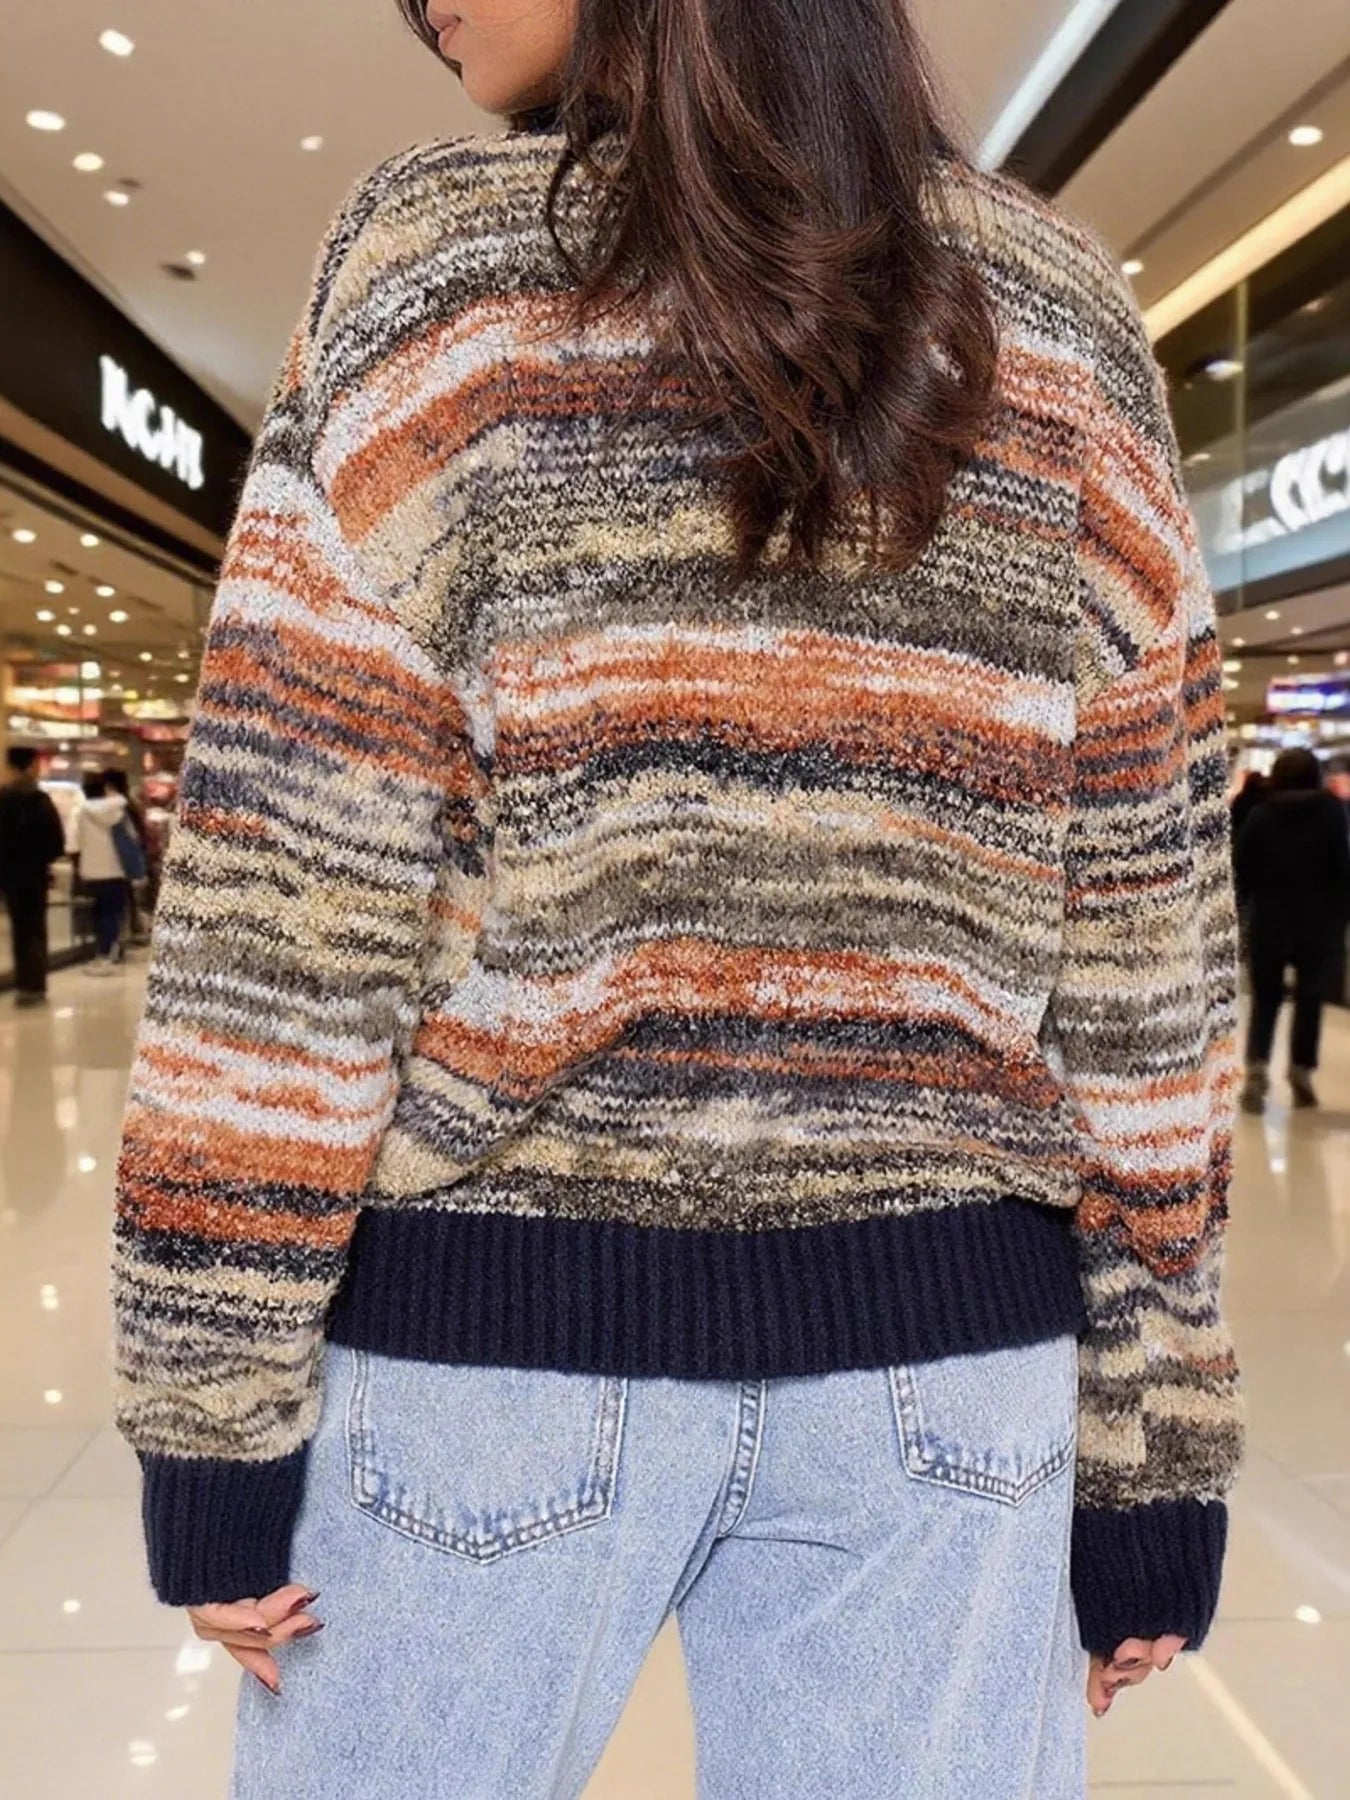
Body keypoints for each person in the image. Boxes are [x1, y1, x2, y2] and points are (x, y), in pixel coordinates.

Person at [109, 4, 1244, 1795]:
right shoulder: (1063, 311)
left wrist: (212, 1409)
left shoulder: (438, 267)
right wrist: (1154, 1446)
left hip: (496, 1351)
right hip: (952, 1372)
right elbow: (1143, 954)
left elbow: (292, 890)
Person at [1235, 747, 1350, 1112]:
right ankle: (1301, 1069)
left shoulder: (1262, 814)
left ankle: (1257, 1069)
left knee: (1266, 997)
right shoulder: (1331, 812)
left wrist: (1243, 910)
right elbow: (1342, 865)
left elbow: (1242, 867)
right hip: (1319, 921)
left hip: (1270, 918)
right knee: (1309, 998)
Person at [0, 746, 66, 1006]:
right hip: (35, 874)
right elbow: (56, 843)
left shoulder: (3, 799)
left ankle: (23, 985)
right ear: (29, 766)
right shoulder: (39, 800)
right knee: (36, 928)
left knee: (19, 928)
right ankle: (35, 985)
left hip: (9, 875)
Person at [75, 771, 130, 976]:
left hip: (91, 871)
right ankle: (109, 955)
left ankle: (102, 955)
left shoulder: (82, 812)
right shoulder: (118, 808)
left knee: (98, 915)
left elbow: (76, 841)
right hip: (115, 870)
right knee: (112, 915)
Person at [103, 768, 151, 945]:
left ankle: (127, 935)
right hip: (130, 861)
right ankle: (133, 931)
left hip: (121, 863)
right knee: (129, 900)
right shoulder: (129, 806)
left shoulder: (118, 808)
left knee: (124, 901)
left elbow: (128, 839)